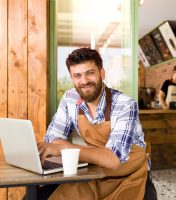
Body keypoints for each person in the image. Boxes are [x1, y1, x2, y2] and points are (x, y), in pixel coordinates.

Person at [37, 48, 157, 200]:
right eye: (77, 75)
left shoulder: (125, 104)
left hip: (131, 176)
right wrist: (61, 147)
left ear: (102, 73)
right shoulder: (70, 99)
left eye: (90, 73)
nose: (84, 80)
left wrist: (64, 148)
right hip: (93, 173)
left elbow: (113, 159)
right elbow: (52, 137)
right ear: (72, 78)